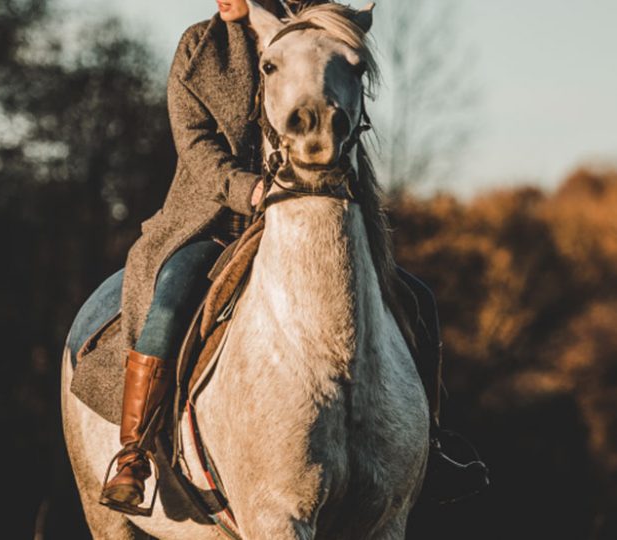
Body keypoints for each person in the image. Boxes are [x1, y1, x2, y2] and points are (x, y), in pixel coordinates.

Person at [98, 0, 488, 515]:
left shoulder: (314, 34)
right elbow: (195, 145)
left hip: (310, 212)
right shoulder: (200, 47)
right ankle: (135, 453)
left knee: (419, 298)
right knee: (169, 297)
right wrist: (250, 191)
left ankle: (428, 448)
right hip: (217, 222)